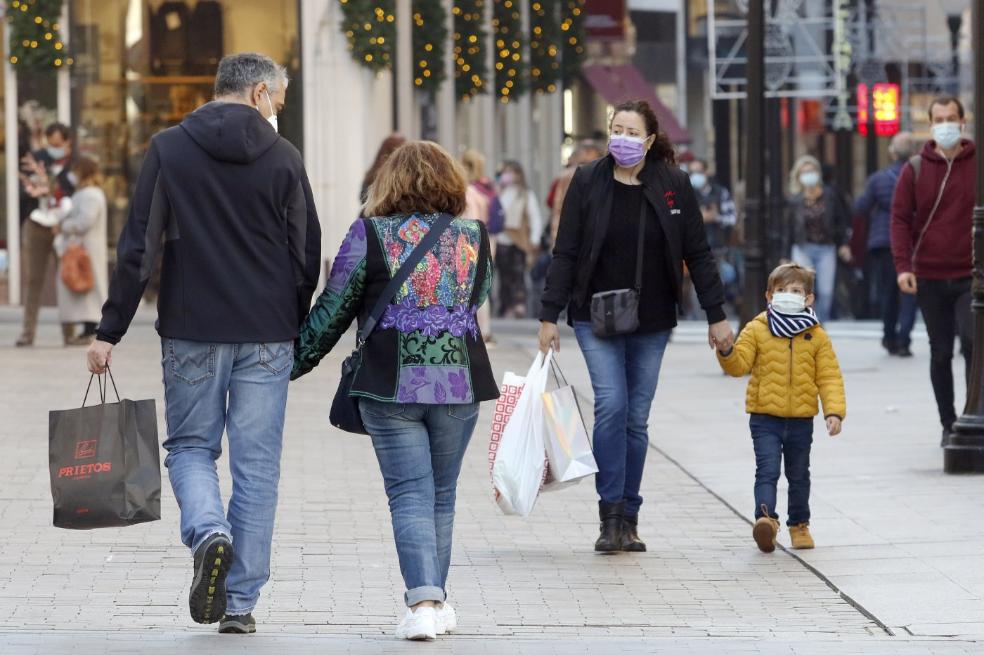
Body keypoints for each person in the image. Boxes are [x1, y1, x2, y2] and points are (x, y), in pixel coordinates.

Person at [86, 52, 322, 634]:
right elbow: (305, 250)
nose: (277, 111)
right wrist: (291, 317)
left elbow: (139, 245)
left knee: (191, 448)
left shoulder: (170, 148)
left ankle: (209, 531)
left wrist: (111, 328)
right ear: (259, 92)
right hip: (267, 331)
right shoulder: (284, 156)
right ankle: (239, 603)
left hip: (192, 327)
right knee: (257, 468)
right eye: (278, 101)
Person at [292, 141, 497, 641]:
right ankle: (435, 602)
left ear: (388, 183)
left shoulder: (368, 234)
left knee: (409, 494)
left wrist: (290, 364)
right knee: (441, 495)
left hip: (391, 384)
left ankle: (423, 602)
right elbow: (479, 294)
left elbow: (334, 308)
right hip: (459, 383)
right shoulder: (473, 235)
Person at [538, 99, 734, 553]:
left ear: (649, 140)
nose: (622, 139)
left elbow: (698, 253)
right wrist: (549, 315)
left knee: (635, 418)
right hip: (594, 313)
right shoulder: (588, 180)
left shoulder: (674, 184)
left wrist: (717, 314)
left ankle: (629, 516)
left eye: (631, 132)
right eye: (616, 130)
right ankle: (610, 516)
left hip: (652, 317)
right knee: (611, 404)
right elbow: (566, 251)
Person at [716, 263, 846, 553]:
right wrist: (726, 351)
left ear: (808, 298)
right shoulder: (757, 329)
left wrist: (834, 412)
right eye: (781, 290)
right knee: (768, 470)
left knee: (799, 475)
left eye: (796, 290)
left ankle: (799, 524)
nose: (788, 294)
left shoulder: (816, 335)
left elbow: (829, 376)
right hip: (765, 417)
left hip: (801, 419)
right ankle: (766, 520)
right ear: (769, 295)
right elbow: (739, 366)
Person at [891, 95, 977, 444]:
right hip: (928, 274)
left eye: (951, 118)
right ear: (930, 125)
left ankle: (974, 416)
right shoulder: (914, 169)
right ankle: (948, 423)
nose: (945, 125)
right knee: (940, 351)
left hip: (971, 275)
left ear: (963, 121)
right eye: (938, 119)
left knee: (972, 343)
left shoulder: (978, 163)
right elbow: (899, 220)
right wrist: (903, 266)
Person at [853, 132, 919, 357]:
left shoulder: (878, 179)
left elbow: (861, 207)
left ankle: (889, 337)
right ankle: (904, 339)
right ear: (913, 152)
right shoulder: (918, 176)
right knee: (909, 292)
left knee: (888, 292)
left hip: (884, 242)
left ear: (892, 153)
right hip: (912, 241)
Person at [15, 122, 77, 347]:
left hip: (63, 226)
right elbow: (23, 189)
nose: (54, 149)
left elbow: (77, 190)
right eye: (51, 144)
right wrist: (36, 189)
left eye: (58, 144)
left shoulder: (74, 162)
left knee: (66, 279)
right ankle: (28, 332)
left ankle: (69, 332)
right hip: (38, 224)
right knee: (34, 279)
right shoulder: (37, 158)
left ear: (67, 142)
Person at [785, 155, 851, 322]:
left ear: (818, 173)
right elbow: (789, 229)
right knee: (804, 289)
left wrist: (844, 244)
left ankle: (820, 323)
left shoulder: (830, 195)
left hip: (826, 248)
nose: (809, 175)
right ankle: (807, 322)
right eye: (804, 172)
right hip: (802, 248)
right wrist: (784, 255)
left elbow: (841, 221)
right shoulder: (795, 200)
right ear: (799, 177)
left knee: (826, 291)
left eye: (811, 171)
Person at [54, 157, 108, 345]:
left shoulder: (91, 194)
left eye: (76, 171)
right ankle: (86, 329)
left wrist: (63, 225)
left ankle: (89, 330)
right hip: (84, 249)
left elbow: (85, 221)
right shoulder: (87, 193)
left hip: (85, 250)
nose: (72, 176)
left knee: (87, 288)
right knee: (84, 288)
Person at [683, 158, 739, 318]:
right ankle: (699, 318)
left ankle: (714, 316)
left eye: (699, 171)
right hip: (693, 245)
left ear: (706, 172)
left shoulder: (720, 192)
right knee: (696, 282)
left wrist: (715, 217)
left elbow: (732, 218)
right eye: (692, 172)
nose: (695, 176)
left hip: (716, 245)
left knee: (716, 281)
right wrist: (699, 218)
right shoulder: (686, 193)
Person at [495, 161, 543, 318]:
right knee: (504, 275)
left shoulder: (526, 194)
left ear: (518, 174)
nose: (507, 175)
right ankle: (506, 305)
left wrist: (535, 238)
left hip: (519, 240)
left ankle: (519, 303)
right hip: (501, 240)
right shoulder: (500, 192)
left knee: (518, 273)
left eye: (511, 172)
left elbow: (535, 218)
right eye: (505, 172)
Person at [461, 148, 498, 342]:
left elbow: (471, 222)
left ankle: (481, 330)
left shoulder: (469, 192)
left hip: (471, 244)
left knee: (472, 286)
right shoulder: (487, 188)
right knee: (482, 284)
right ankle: (485, 329)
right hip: (488, 239)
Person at [360, 134, 406, 212]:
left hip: (370, 213)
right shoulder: (395, 171)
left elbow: (362, 197)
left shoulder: (373, 170)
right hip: (383, 214)